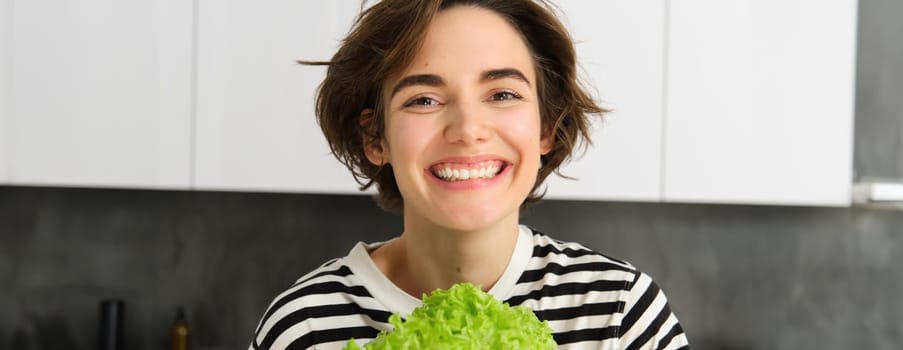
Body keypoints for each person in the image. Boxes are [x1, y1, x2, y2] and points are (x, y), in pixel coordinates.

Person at [249, 0, 690, 349]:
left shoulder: (618, 313)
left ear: (546, 127)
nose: (467, 130)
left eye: (501, 93)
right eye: (423, 99)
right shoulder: (304, 326)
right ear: (375, 137)